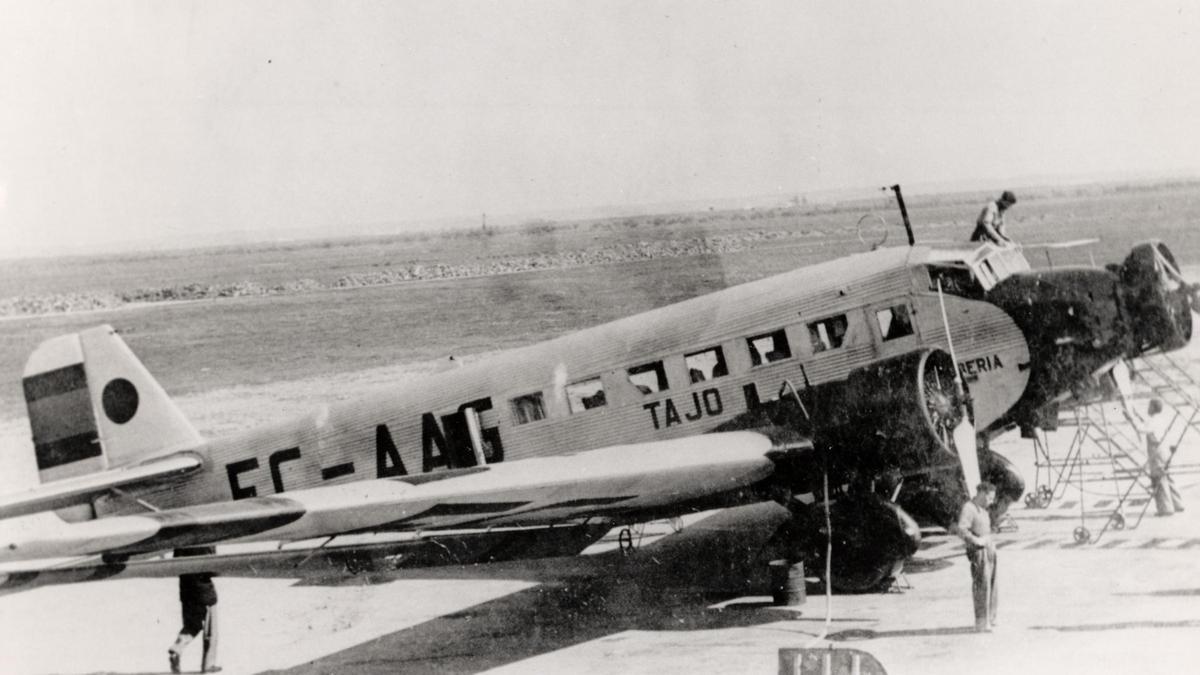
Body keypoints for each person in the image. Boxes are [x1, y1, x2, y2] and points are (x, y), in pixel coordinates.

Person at [169, 547, 219, 673]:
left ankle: (177, 648)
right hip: (204, 591)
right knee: (211, 631)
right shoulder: (207, 538)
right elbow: (212, 564)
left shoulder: (182, 540)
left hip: (186, 589)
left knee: (191, 626)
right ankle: (208, 665)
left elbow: (176, 561)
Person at [956, 482, 998, 632]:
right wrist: (976, 541)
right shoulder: (969, 508)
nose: (991, 502)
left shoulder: (982, 510)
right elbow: (961, 529)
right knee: (982, 586)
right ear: (982, 494)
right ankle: (981, 622)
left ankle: (990, 618)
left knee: (992, 584)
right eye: (990, 498)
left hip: (988, 548)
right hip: (979, 551)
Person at [1145, 398, 1185, 516]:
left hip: (1157, 452)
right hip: (1165, 451)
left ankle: (1165, 508)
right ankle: (1178, 504)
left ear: (1153, 408)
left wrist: (1130, 417)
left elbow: (1141, 428)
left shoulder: (1152, 421)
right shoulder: (1161, 419)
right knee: (1168, 477)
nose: (1148, 408)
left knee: (1158, 478)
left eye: (1149, 406)